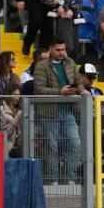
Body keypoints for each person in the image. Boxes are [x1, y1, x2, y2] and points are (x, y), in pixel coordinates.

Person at [31, 38, 90, 184]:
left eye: (63, 49)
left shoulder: (70, 62)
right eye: (58, 50)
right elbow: (39, 90)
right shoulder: (41, 66)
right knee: (52, 146)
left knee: (75, 144)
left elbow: (78, 81)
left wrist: (82, 90)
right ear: (50, 49)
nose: (61, 52)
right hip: (48, 112)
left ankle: (70, 179)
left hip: (68, 110)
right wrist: (60, 92)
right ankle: (53, 180)